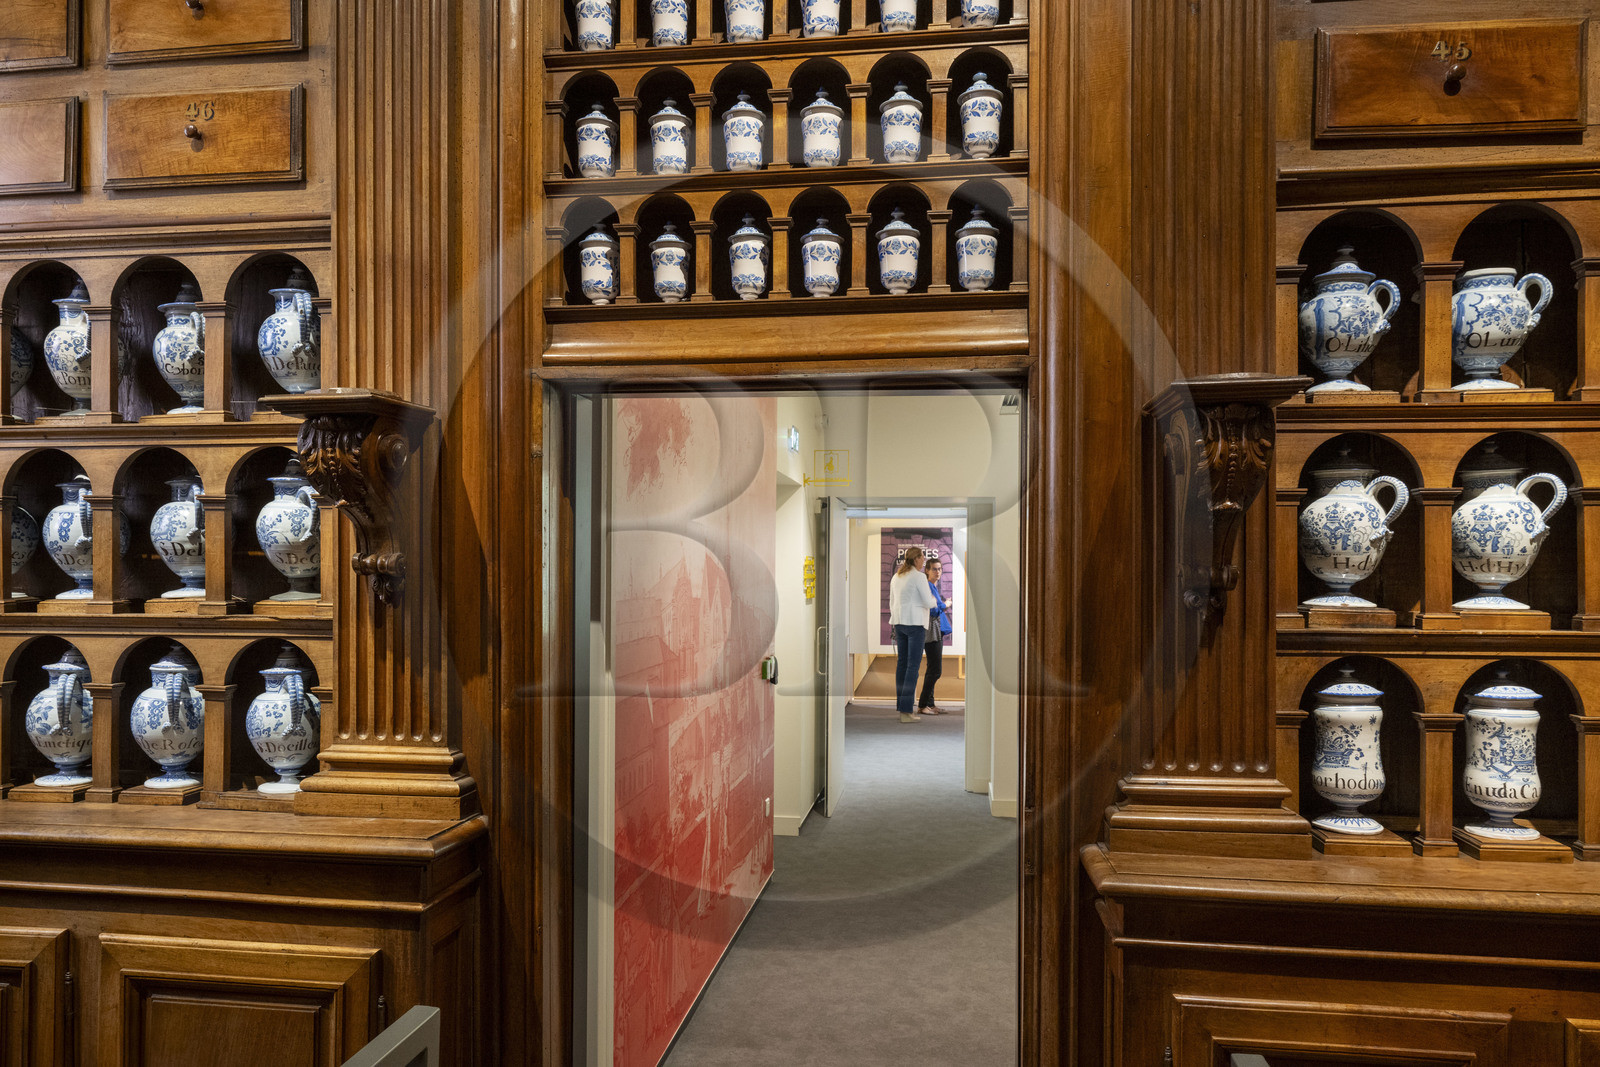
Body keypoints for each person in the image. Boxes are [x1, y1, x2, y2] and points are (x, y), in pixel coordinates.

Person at [888, 545, 938, 723]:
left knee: (902, 665)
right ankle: (906, 711)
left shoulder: (897, 576)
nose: (924, 560)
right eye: (922, 557)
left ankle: (903, 708)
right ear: (916, 559)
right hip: (915, 624)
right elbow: (927, 601)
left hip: (899, 623)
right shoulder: (918, 577)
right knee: (912, 667)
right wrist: (935, 601)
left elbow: (891, 602)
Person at [918, 557, 953, 714]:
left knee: (932, 668)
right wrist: (945, 605)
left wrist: (941, 605)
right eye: (934, 569)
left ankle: (930, 704)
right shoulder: (928, 587)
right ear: (927, 570)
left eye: (939, 569)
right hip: (931, 632)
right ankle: (922, 704)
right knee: (935, 670)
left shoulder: (932, 587)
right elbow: (932, 610)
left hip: (935, 631)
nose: (937, 572)